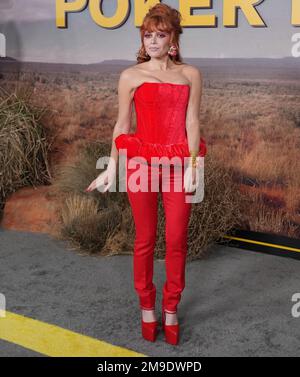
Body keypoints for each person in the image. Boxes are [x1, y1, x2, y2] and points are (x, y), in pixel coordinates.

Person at [85, 3, 207, 345]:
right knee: (144, 241)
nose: (153, 41)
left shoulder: (191, 74)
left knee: (177, 241)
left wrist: (194, 167)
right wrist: (112, 166)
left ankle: (171, 308)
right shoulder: (130, 76)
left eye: (160, 34)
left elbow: (192, 122)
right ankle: (146, 307)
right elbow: (122, 124)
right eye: (147, 35)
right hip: (141, 166)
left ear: (173, 39)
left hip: (179, 166)